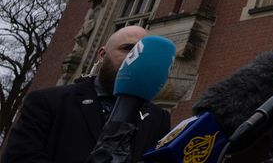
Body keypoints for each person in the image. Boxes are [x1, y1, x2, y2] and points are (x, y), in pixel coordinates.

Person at [2, 25, 172, 163]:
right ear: (102, 55)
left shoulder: (158, 118)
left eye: (143, 54)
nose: (134, 59)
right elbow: (19, 158)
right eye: (128, 49)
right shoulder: (48, 101)